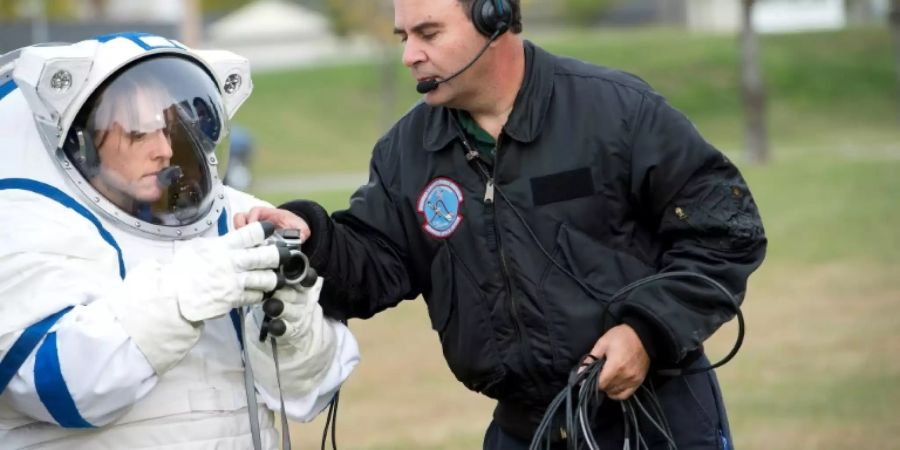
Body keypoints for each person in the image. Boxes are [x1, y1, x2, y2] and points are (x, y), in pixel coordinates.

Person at [243, 0, 767, 448]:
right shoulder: (406, 152)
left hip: (656, 420)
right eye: (404, 36)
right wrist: (312, 235)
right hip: (525, 429)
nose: (409, 55)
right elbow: (376, 263)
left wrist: (647, 331)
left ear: (495, 17)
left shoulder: (617, 113)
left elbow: (726, 232)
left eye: (429, 32)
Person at [0, 33, 358, 449]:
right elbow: (57, 385)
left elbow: (308, 393)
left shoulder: (235, 216)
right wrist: (188, 293)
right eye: (138, 133)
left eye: (169, 128)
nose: (164, 150)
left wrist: (289, 323)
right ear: (81, 141)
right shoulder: (29, 225)